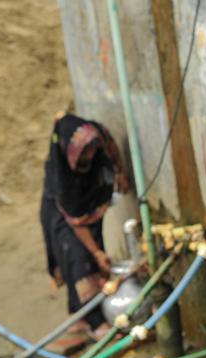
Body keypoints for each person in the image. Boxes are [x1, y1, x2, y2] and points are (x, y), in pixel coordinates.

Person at [40, 112, 129, 338]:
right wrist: (97, 252)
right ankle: (95, 322)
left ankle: (78, 316)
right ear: (70, 153)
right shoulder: (64, 181)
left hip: (87, 201)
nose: (90, 155)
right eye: (84, 152)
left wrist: (120, 172)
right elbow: (77, 222)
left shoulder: (96, 137)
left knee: (91, 251)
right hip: (63, 214)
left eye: (91, 149)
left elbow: (109, 146)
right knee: (76, 258)